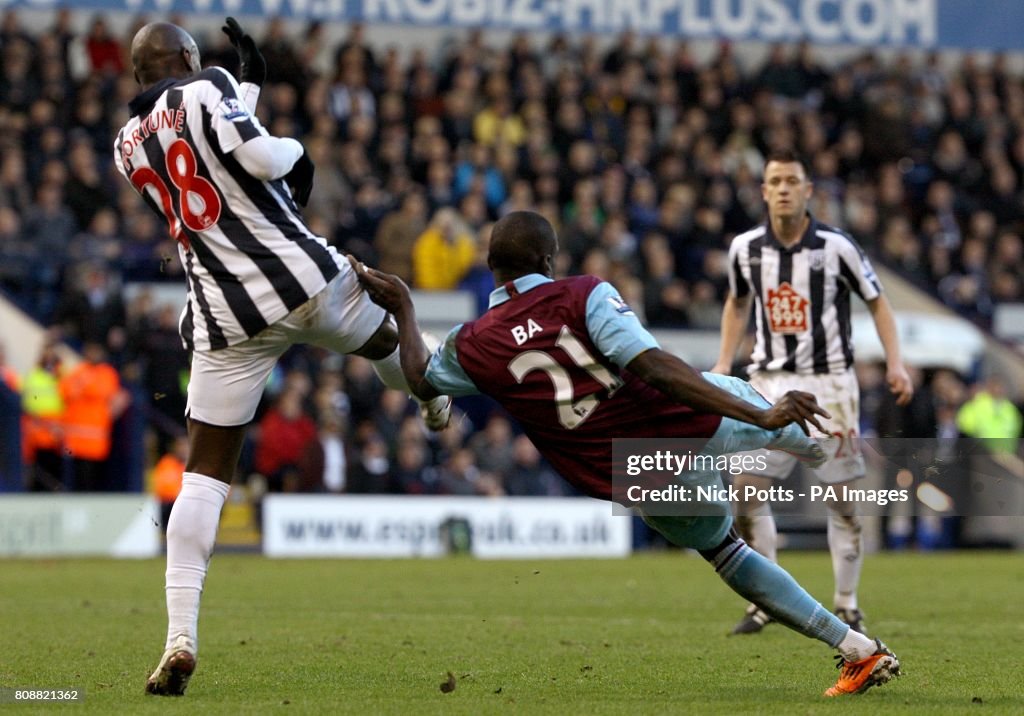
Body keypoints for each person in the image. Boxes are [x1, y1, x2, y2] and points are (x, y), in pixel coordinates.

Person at [353, 210, 901, 697]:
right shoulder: (583, 293)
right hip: (686, 422)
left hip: (632, 471)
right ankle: (882, 474)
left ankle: (856, 648)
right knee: (795, 428)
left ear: (491, 265)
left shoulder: (474, 343)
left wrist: (404, 304)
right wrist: (758, 415)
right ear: (549, 259)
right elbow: (653, 365)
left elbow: (421, 380)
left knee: (727, 553)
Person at [114, 19, 450, 696]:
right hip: (303, 278)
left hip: (224, 313)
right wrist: (297, 147)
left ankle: (180, 637)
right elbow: (261, 158)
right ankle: (429, 394)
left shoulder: (126, 144)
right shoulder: (209, 84)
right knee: (390, 336)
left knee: (204, 476)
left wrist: (252, 86)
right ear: (188, 58)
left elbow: (208, 146)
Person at [711, 149, 913, 636]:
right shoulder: (745, 249)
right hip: (769, 382)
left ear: (808, 191)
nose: (782, 188)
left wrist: (896, 362)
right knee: (745, 494)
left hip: (830, 386)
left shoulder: (836, 247)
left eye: (791, 181)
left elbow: (878, 302)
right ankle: (765, 601)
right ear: (763, 191)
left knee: (840, 499)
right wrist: (722, 362)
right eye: (774, 180)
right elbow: (737, 303)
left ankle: (846, 601)